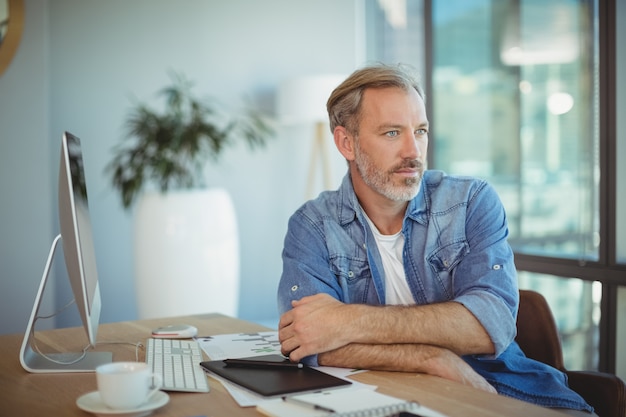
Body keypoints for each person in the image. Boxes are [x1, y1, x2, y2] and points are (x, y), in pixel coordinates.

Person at [277, 63, 595, 416]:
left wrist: (345, 322)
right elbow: (305, 341)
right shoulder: (312, 226)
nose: (413, 151)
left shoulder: (471, 202)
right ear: (346, 142)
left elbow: (491, 325)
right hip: (387, 399)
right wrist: (431, 357)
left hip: (505, 392)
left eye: (421, 130)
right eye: (392, 133)